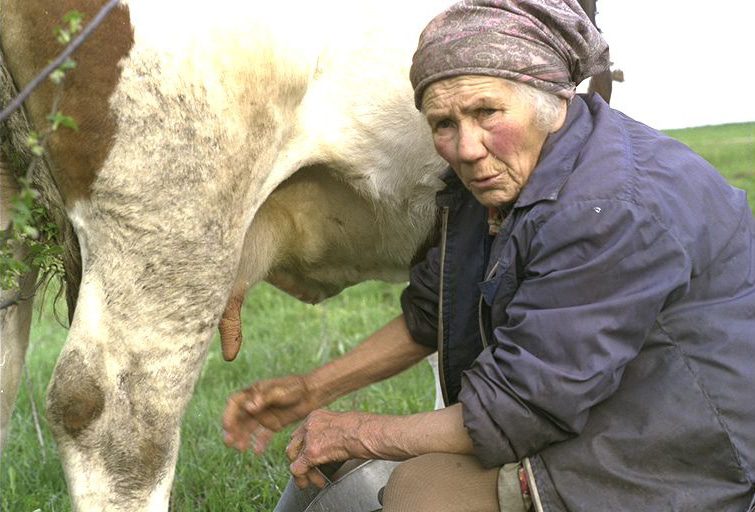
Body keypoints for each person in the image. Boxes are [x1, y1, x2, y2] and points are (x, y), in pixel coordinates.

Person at [222, 0, 755, 510]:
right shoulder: (509, 171)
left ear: (552, 97)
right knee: (352, 464)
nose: (467, 148)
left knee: (424, 490)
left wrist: (358, 431)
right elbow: (432, 312)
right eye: (443, 124)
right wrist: (313, 391)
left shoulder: (606, 209)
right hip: (611, 405)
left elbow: (519, 410)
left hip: (689, 457)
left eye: (487, 112)